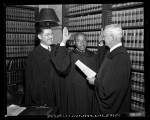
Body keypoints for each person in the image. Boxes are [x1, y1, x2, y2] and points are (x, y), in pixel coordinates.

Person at [51, 27, 106, 115]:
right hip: (75, 93)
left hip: (89, 93)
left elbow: (102, 64)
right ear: (74, 42)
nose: (82, 43)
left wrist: (101, 43)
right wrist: (64, 41)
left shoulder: (92, 56)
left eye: (84, 40)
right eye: (78, 41)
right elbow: (61, 66)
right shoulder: (69, 56)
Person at [86, 24, 131, 115]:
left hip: (114, 110)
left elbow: (111, 88)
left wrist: (95, 82)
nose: (103, 38)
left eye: (105, 36)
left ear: (112, 38)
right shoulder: (114, 52)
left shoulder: (120, 57)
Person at [24, 26, 64, 111]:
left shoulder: (55, 49)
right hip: (43, 97)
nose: (51, 37)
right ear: (39, 37)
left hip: (57, 93)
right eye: (47, 34)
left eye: (51, 34)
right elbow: (32, 81)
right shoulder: (34, 55)